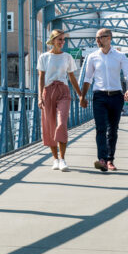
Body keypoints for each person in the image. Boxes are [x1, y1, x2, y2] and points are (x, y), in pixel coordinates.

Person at [80, 28, 128, 172]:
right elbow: (87, 78)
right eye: (96, 38)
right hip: (99, 96)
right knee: (101, 129)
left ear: (109, 38)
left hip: (116, 96)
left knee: (113, 130)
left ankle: (110, 159)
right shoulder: (92, 57)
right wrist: (82, 96)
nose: (97, 40)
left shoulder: (120, 56)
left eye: (101, 37)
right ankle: (102, 160)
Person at [37, 29, 85, 172]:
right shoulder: (44, 57)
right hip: (48, 91)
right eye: (60, 39)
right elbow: (41, 78)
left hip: (63, 91)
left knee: (62, 123)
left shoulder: (67, 57)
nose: (62, 42)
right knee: (50, 126)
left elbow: (72, 77)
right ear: (52, 41)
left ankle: (63, 159)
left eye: (63, 39)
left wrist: (80, 94)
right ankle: (55, 159)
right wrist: (40, 97)